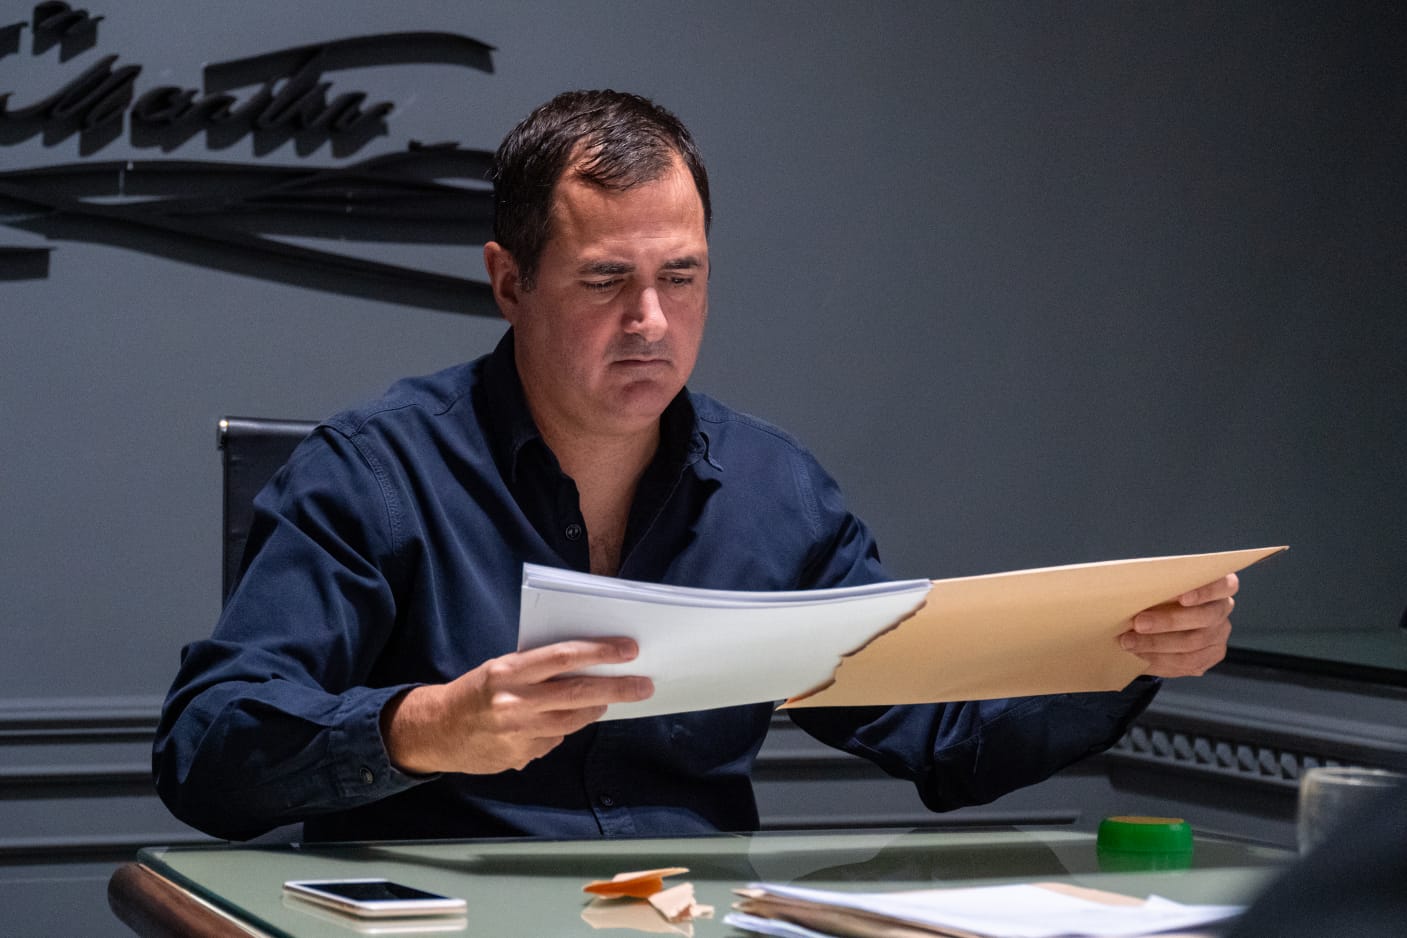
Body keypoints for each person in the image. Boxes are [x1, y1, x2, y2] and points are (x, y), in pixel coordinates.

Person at [152, 90, 1239, 843]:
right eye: (604, 281)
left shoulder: (773, 493)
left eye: (681, 275)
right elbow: (205, 749)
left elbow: (945, 738)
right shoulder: (375, 471)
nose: (651, 322)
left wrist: (1124, 649)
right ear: (509, 281)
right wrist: (424, 729)